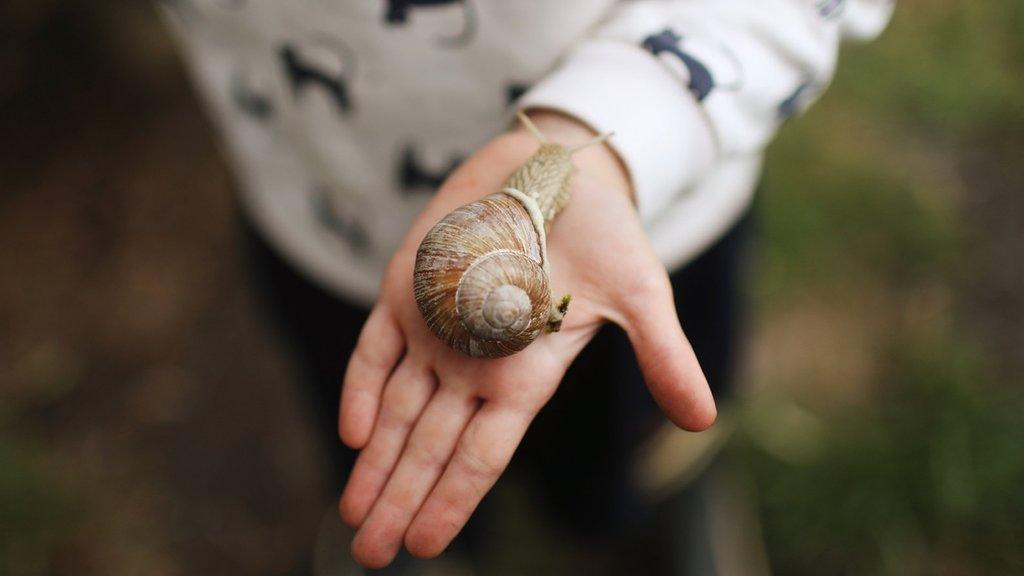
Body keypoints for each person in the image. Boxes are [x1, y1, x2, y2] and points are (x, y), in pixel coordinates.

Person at [161, 0, 893, 571]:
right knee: (388, 436)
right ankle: (436, 552)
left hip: (652, 215)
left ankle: (664, 492)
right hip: (319, 202)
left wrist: (629, 122)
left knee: (634, 429)